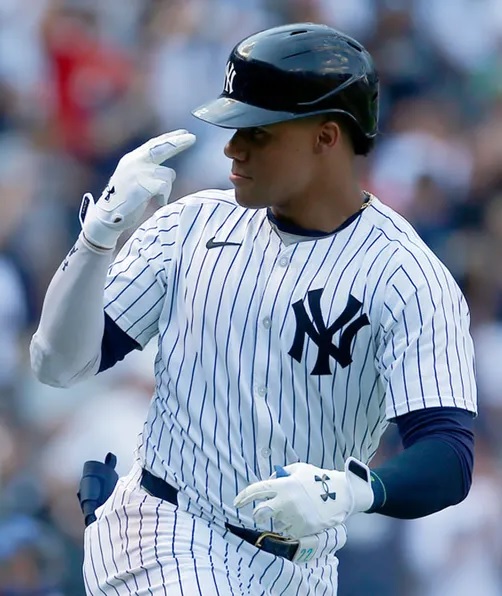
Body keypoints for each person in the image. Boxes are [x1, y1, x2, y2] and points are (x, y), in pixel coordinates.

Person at [30, 23, 477, 596]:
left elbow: (447, 453)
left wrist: (354, 491)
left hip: (303, 568)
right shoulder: (190, 224)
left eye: (257, 131)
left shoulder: (407, 276)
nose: (231, 147)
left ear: (326, 136)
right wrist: (97, 240)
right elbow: (58, 364)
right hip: (164, 528)